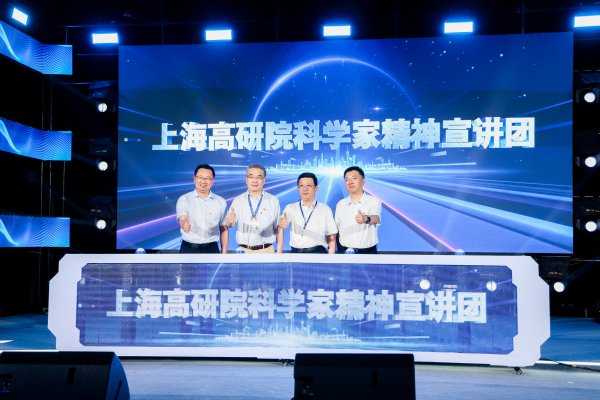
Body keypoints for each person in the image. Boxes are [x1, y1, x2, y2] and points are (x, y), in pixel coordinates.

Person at [226, 164, 283, 253]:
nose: (255, 180)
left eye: (259, 177)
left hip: (266, 251)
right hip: (243, 251)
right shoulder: (238, 200)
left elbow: (278, 228)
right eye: (251, 177)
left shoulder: (273, 201)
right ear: (246, 179)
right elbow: (230, 224)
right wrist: (229, 221)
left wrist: (279, 253)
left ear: (264, 180)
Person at [278, 172, 337, 254]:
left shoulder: (325, 209)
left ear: (316, 188)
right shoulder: (291, 208)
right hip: (296, 254)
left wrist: (331, 259)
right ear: (298, 188)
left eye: (309, 185)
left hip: (318, 253)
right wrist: (281, 222)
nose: (305, 189)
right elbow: (283, 219)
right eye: (301, 186)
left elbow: (331, 238)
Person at [176, 164, 228, 254]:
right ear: (194, 178)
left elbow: (224, 229)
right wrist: (184, 225)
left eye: (207, 178)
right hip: (188, 249)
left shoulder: (221, 201)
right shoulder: (184, 199)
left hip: (212, 249)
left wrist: (224, 254)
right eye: (200, 177)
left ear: (213, 181)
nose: (203, 181)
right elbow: (183, 218)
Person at [334, 166, 382, 254]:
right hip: (345, 252)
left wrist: (365, 218)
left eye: (354, 178)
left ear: (363, 181)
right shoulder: (341, 204)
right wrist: (339, 251)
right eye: (347, 179)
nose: (350, 182)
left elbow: (376, 218)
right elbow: (337, 230)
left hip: (368, 253)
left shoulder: (373, 201)